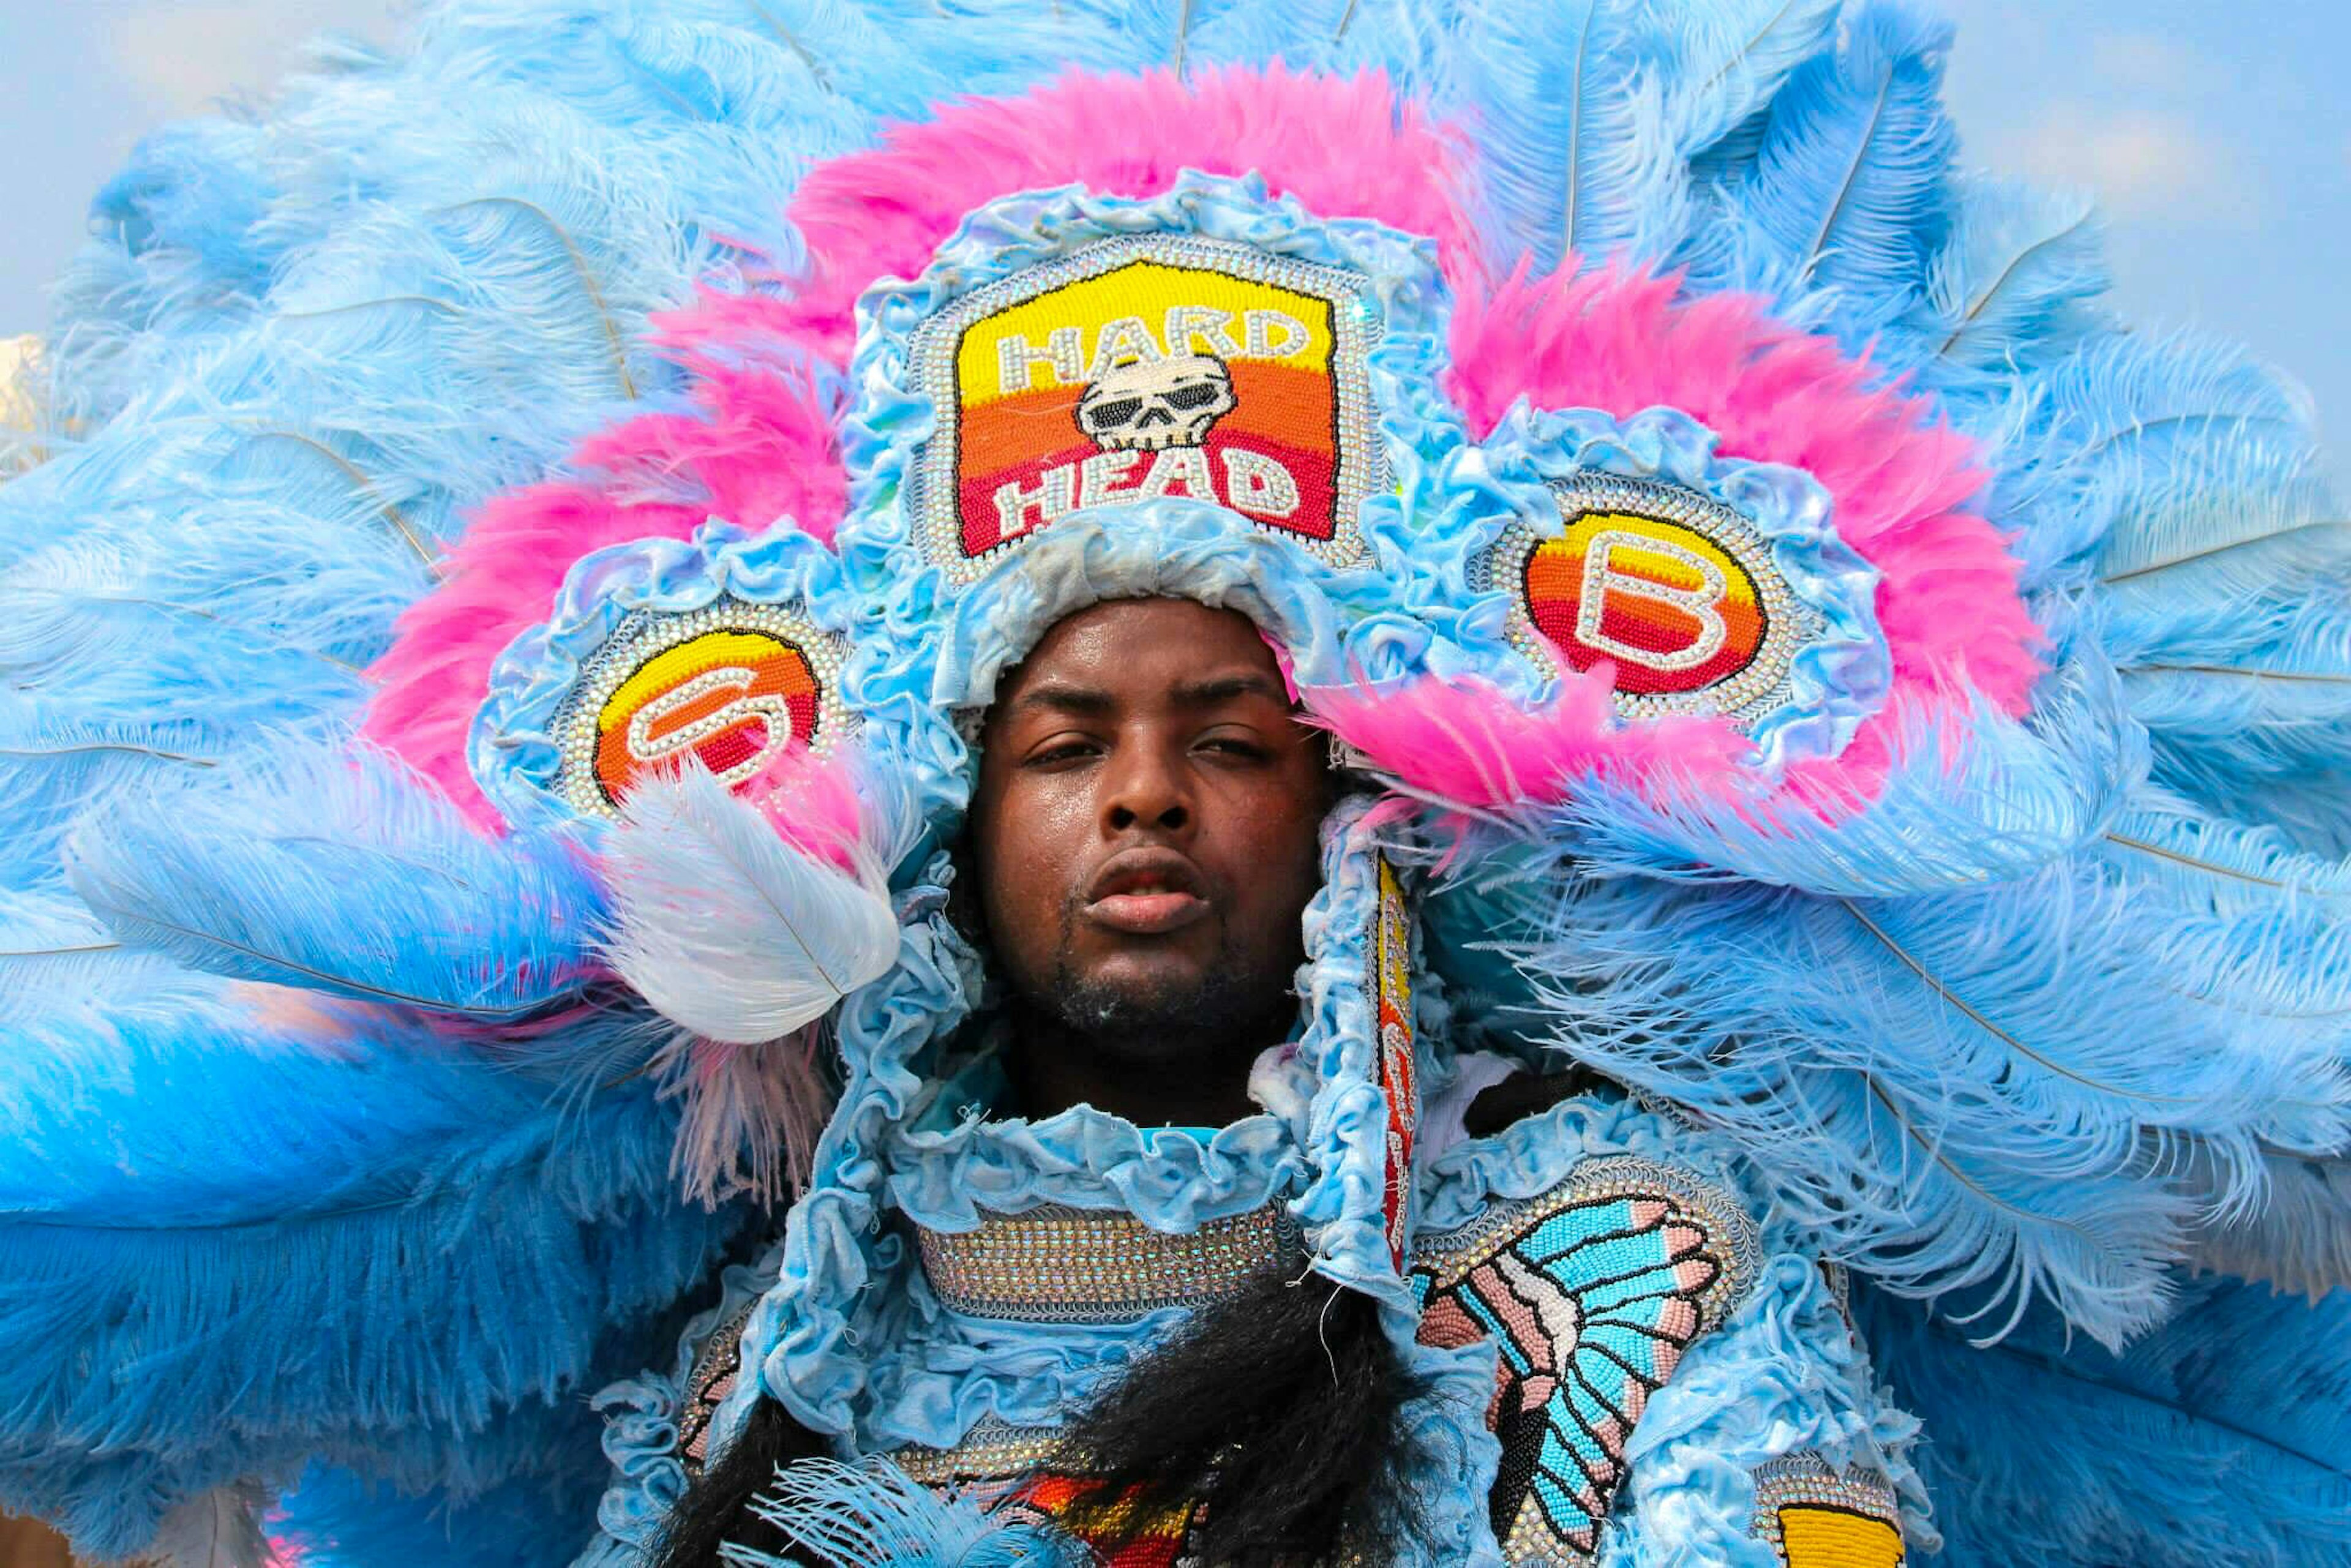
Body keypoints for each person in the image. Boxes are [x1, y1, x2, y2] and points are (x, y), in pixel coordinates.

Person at [2, 4, 2345, 1567]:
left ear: (1342, 821)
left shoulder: (1617, 1252)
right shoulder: (777, 1343)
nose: (1145, 799)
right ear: (956, 836)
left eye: (1229, 741)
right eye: (1067, 743)